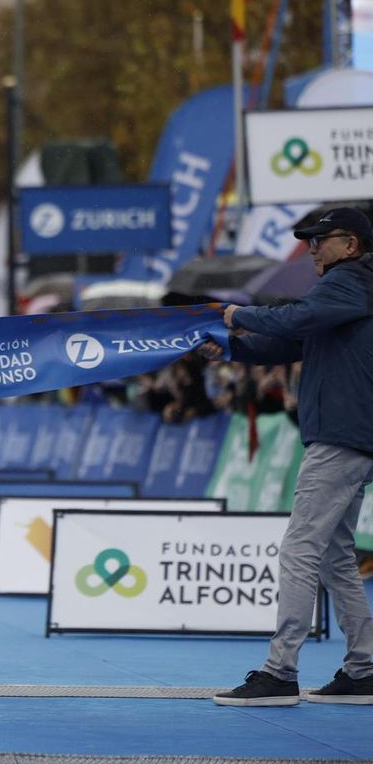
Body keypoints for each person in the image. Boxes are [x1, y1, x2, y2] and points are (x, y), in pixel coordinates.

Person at [201, 207, 373, 706]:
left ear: (352, 244)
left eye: (321, 239)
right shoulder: (347, 292)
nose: (311, 248)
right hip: (349, 435)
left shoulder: (352, 281)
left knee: (299, 550)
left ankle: (280, 672)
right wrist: (232, 348)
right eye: (308, 240)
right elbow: (288, 340)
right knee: (336, 554)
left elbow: (294, 318)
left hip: (341, 437)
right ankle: (363, 669)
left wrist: (237, 314)